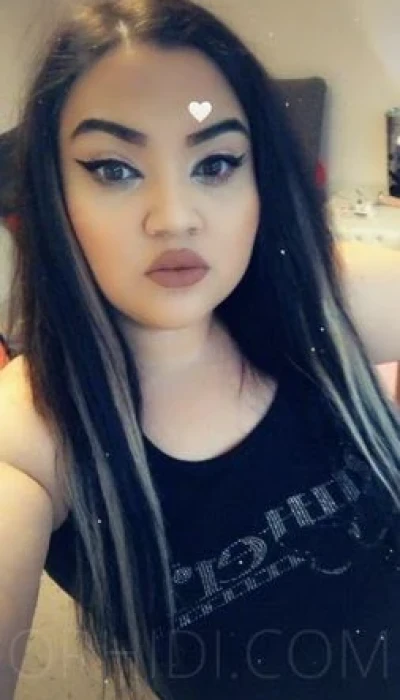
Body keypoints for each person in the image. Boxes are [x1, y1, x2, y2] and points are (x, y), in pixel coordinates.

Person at [0, 0, 400, 698]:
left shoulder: (325, 300)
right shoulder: (32, 437)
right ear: (51, 196)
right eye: (114, 169)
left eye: (215, 163)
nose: (175, 217)